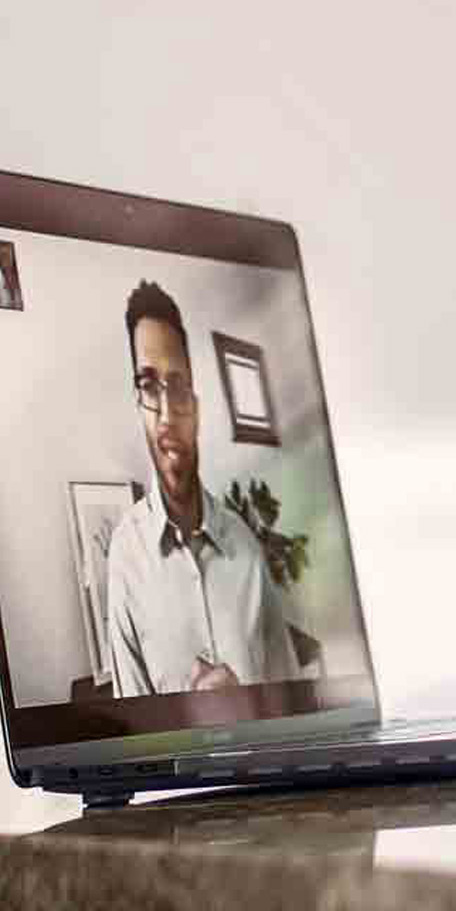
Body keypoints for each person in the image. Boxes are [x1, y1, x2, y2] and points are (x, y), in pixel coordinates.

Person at [100, 281, 300, 698]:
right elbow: (134, 737)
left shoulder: (246, 545)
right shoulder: (125, 556)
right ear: (137, 406)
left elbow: (290, 705)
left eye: (178, 387)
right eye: (149, 386)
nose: (168, 414)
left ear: (197, 407)